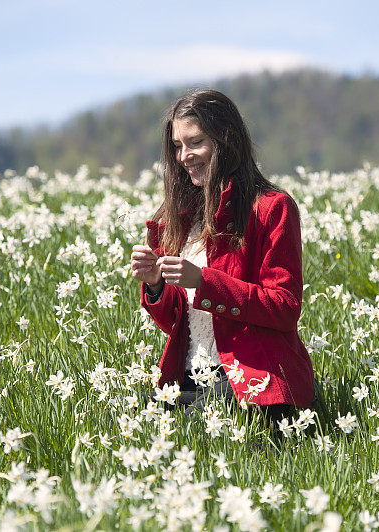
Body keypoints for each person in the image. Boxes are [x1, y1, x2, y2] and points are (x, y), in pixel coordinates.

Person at [130, 89, 315, 432]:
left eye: (195, 142)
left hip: (249, 380)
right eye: (176, 145)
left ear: (225, 139)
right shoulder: (179, 218)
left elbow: (285, 306)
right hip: (187, 379)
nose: (184, 156)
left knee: (194, 435)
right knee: (126, 422)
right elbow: (178, 322)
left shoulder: (272, 208)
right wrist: (155, 283)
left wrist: (203, 282)